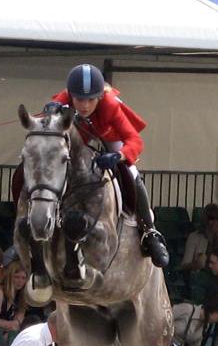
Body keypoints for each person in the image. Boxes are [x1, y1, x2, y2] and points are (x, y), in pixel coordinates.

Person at [48, 63, 169, 268]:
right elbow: (45, 120)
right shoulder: (65, 98)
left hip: (108, 137)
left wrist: (118, 156)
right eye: (79, 99)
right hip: (79, 142)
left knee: (131, 172)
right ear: (71, 96)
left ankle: (149, 231)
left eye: (91, 100)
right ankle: (39, 223)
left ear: (100, 97)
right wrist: (49, 111)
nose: (84, 106)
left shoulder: (110, 106)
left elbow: (135, 141)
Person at [180, 203, 218, 272]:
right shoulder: (194, 237)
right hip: (200, 277)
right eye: (211, 218)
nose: (215, 222)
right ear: (205, 220)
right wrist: (196, 264)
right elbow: (184, 265)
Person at [0, 260, 27, 339]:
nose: (20, 281)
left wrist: (15, 323)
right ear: (9, 277)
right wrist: (12, 324)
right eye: (16, 277)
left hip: (6, 332)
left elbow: (20, 317)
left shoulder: (20, 295)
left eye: (23, 278)